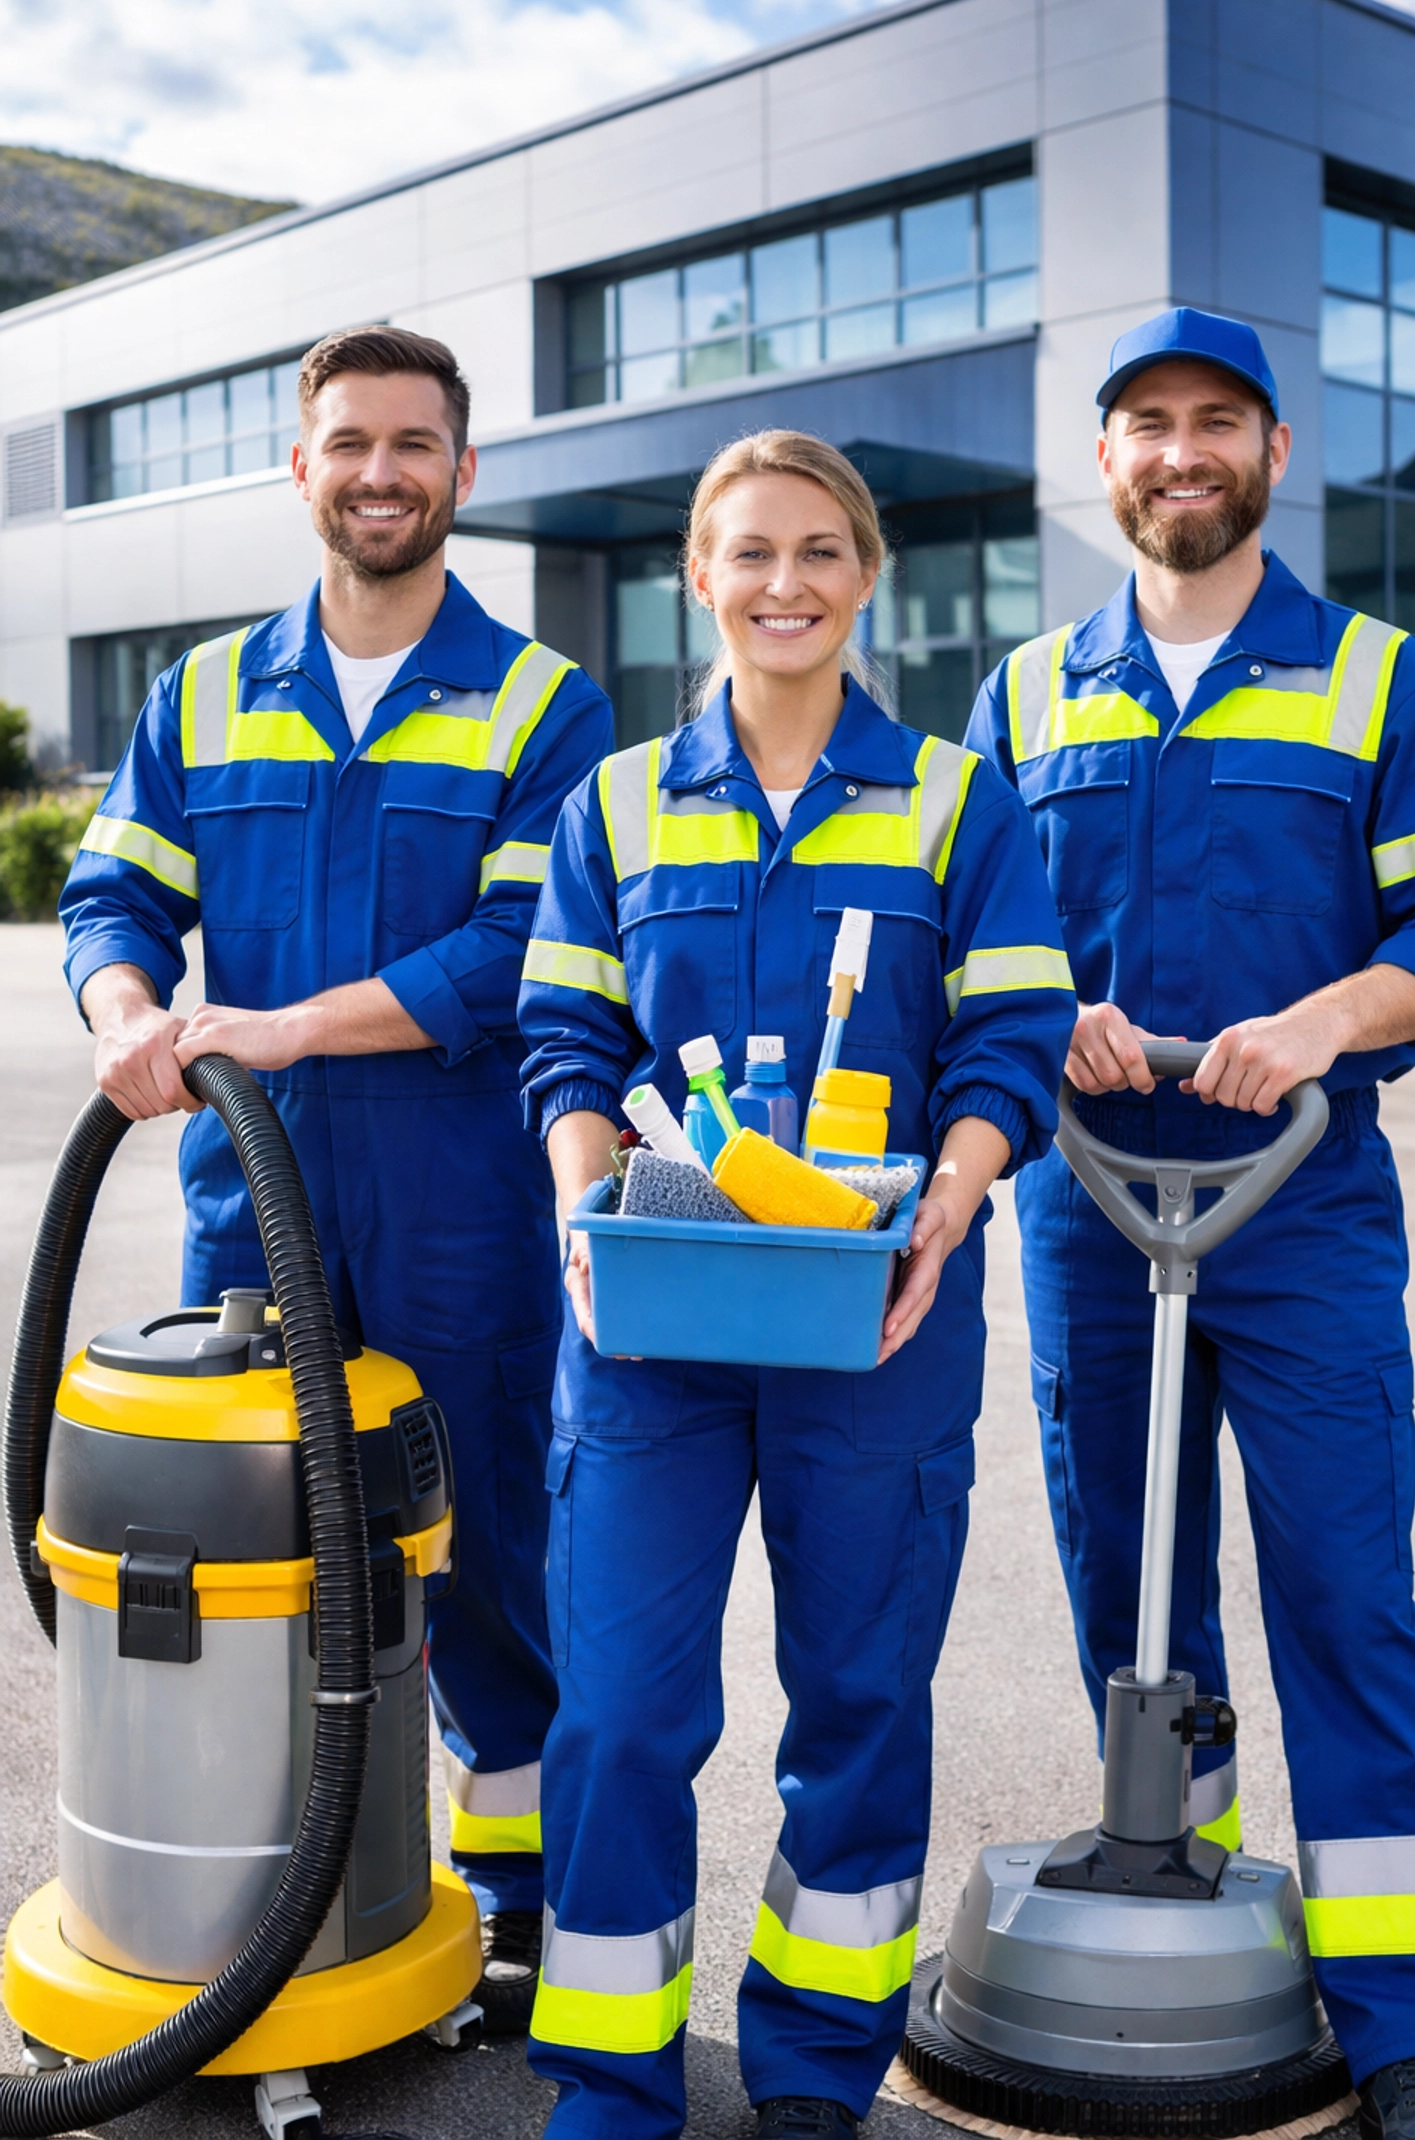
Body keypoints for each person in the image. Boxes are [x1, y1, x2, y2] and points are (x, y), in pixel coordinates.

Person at [968, 308, 1415, 2140]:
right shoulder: (1026, 691)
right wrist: (1042, 1012)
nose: (1180, 453)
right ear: (1106, 462)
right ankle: (1179, 1868)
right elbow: (964, 937)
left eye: (1218, 422)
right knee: (1128, 1571)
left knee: (1349, 1594)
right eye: (1146, 424)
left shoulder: (1385, 681)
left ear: (1275, 453)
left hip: (1298, 1207)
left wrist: (1321, 1024)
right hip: (1084, 1202)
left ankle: (1412, 2028)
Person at [516, 429, 1075, 2140]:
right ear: (700, 573)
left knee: (858, 1707)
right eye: (750, 552)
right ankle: (611, 2087)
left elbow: (1013, 1036)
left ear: (867, 574)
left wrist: (955, 1194)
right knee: (615, 1713)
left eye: (820, 551)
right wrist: (582, 1206)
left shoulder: (954, 799)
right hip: (654, 1331)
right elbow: (566, 1044)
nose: (785, 585)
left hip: (875, 1328)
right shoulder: (613, 803)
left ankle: (820, 2072)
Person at [59, 324, 612, 2033]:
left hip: (465, 1213)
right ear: (300, 469)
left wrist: (285, 1028)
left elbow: (524, 947)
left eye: (414, 443)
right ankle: (275, 1868)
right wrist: (128, 1015)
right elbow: (113, 897)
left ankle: (513, 1892)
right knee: (274, 1551)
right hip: (256, 1208)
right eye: (349, 442)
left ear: (465, 471)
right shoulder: (203, 694)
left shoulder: (541, 699)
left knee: (494, 1552)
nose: (380, 472)